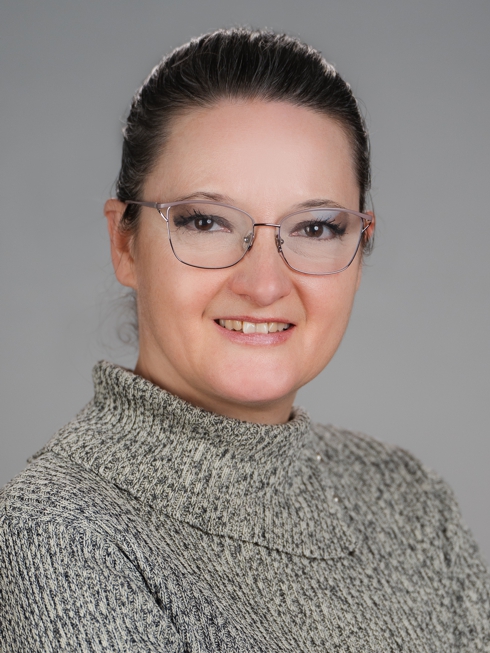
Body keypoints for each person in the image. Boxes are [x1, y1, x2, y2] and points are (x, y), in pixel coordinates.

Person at [0, 27, 488, 653]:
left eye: (315, 228)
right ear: (125, 244)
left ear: (360, 248)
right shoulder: (62, 531)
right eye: (206, 221)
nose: (264, 284)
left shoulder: (409, 499)